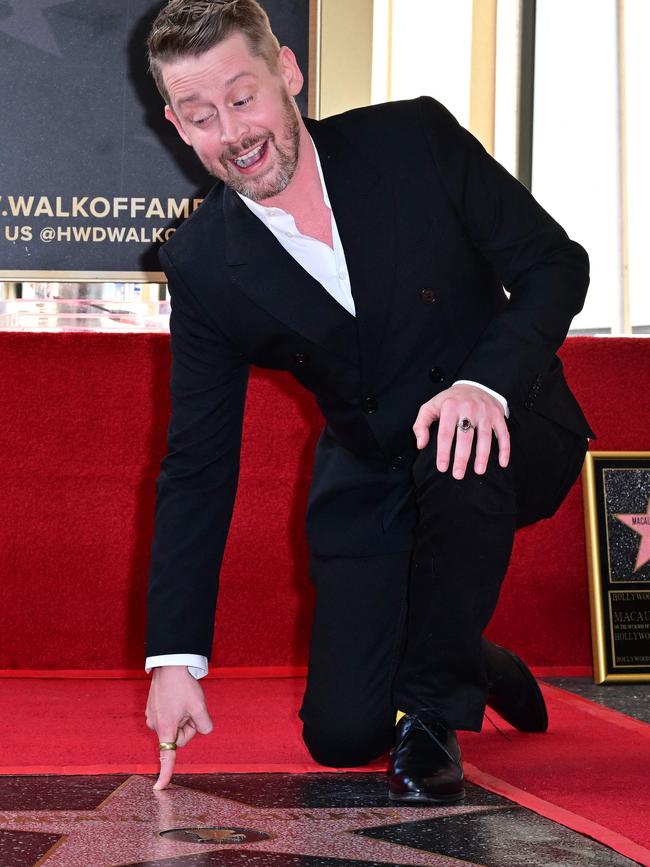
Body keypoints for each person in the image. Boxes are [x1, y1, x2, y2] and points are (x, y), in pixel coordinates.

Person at [144, 0, 593, 800]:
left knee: (457, 452)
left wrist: (483, 380)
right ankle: (469, 654)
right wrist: (175, 660)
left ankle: (432, 707)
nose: (234, 133)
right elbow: (197, 464)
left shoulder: (412, 141)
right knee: (341, 735)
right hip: (376, 466)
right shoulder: (205, 263)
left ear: (288, 72)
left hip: (505, 423)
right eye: (201, 115)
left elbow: (555, 264)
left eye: (243, 98)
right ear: (180, 128)